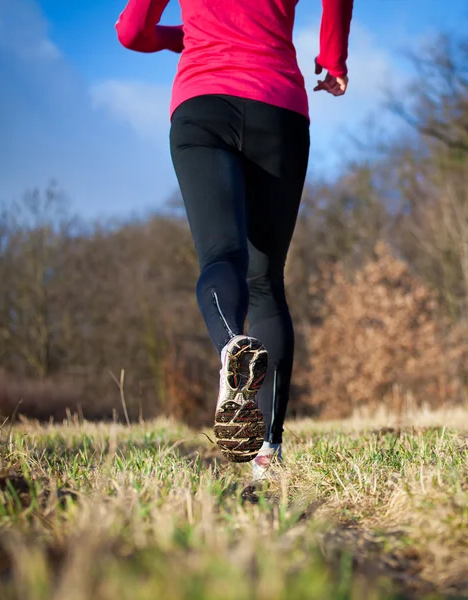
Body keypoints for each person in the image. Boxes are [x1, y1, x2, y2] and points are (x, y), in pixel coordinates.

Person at [116, 0, 353, 478]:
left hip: (203, 104)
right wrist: (333, 57)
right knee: (266, 280)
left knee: (221, 255)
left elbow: (131, 32)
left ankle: (230, 347)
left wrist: (180, 36)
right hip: (279, 108)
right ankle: (268, 451)